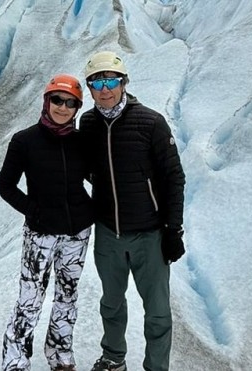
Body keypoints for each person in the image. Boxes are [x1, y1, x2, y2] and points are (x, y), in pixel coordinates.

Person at [79, 51, 186, 371]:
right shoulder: (88, 122)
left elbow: (173, 177)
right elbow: (86, 168)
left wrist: (173, 229)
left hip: (149, 234)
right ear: (90, 88)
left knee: (157, 312)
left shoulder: (151, 122)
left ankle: (156, 367)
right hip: (109, 234)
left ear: (124, 82)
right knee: (111, 303)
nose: (105, 89)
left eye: (111, 81)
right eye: (97, 83)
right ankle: (113, 357)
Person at [0, 74, 94, 371]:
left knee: (67, 295)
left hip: (77, 232)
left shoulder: (81, 142)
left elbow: (97, 178)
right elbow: (6, 186)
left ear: (77, 108)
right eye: (57, 100)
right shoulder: (25, 141)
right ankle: (15, 361)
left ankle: (60, 354)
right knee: (30, 297)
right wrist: (33, 211)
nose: (63, 108)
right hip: (40, 235)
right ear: (46, 100)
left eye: (70, 103)